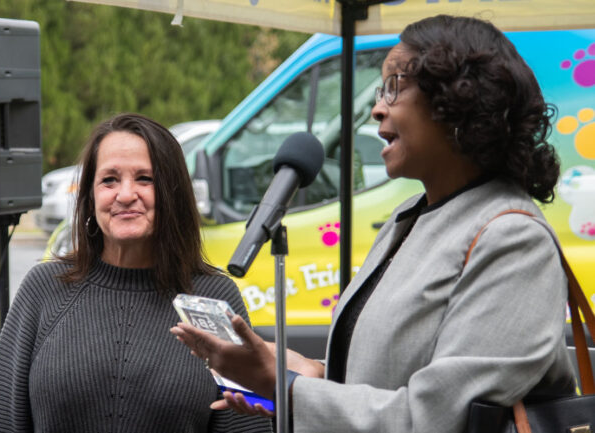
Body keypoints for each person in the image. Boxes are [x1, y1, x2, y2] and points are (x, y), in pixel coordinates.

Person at [170, 15, 577, 433]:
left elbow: (433, 419)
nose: (376, 107)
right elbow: (385, 379)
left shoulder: (513, 241)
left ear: (458, 101)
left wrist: (284, 386)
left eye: (394, 87)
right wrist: (306, 373)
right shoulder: (408, 219)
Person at [0, 113, 272, 433]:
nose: (126, 194)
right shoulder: (45, 288)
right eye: (109, 180)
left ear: (173, 193)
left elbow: (247, 425)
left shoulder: (213, 298)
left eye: (145, 178)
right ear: (90, 198)